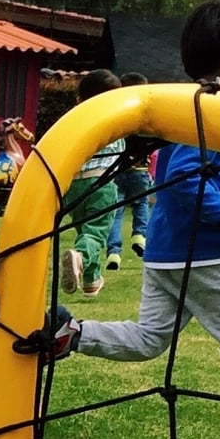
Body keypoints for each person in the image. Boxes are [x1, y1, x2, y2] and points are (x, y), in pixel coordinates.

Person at [29, 0, 220, 439]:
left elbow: (197, 178)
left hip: (170, 251)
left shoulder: (197, 105)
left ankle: (70, 334)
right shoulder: (211, 110)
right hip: (204, 254)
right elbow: (180, 180)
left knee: (150, 339)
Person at [60, 70, 150, 297]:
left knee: (85, 230)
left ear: (79, 99)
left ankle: (91, 280)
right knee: (96, 233)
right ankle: (80, 257)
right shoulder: (113, 122)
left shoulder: (71, 121)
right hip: (101, 183)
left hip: (73, 187)